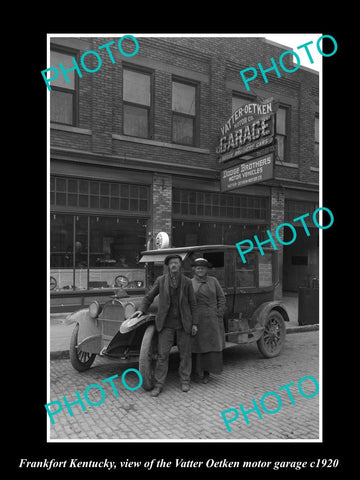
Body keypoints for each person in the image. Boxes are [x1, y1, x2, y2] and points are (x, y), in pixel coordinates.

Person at [130, 254, 198, 396]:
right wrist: (141, 310)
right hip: (165, 324)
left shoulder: (187, 282)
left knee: (185, 355)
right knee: (162, 356)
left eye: (176, 263)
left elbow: (193, 304)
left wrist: (195, 323)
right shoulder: (161, 281)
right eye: (171, 263)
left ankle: (185, 381)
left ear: (180, 265)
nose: (174, 265)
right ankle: (159, 385)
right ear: (168, 266)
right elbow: (149, 297)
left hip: (183, 324)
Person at [191, 258, 226, 384]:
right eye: (198, 268)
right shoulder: (190, 283)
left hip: (212, 319)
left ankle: (207, 373)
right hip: (197, 319)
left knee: (211, 346)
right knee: (197, 346)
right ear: (194, 269)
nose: (200, 270)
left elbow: (221, 298)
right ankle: (196, 372)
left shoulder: (213, 281)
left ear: (206, 270)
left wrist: (219, 313)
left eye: (203, 268)